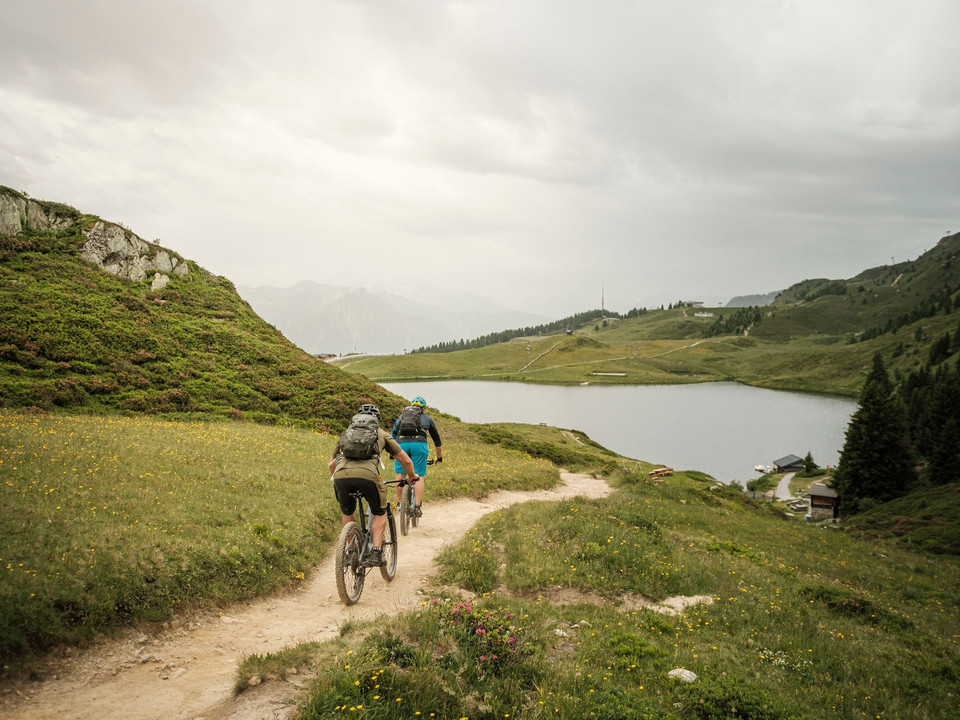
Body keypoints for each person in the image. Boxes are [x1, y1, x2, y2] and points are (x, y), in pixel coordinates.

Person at [328, 404, 420, 567]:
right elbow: (405, 460)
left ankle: (350, 550)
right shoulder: (381, 434)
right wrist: (412, 476)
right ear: (376, 419)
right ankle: (376, 552)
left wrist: (338, 482)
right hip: (368, 476)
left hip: (341, 476)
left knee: (347, 511)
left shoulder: (347, 434)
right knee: (380, 511)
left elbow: (331, 465)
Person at [391, 395, 443, 516]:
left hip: (401, 446)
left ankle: (399, 504)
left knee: (400, 473)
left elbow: (392, 435)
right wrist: (439, 457)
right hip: (419, 445)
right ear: (423, 408)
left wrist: (392, 453)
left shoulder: (401, 417)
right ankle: (417, 507)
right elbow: (437, 440)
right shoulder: (426, 418)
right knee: (418, 475)